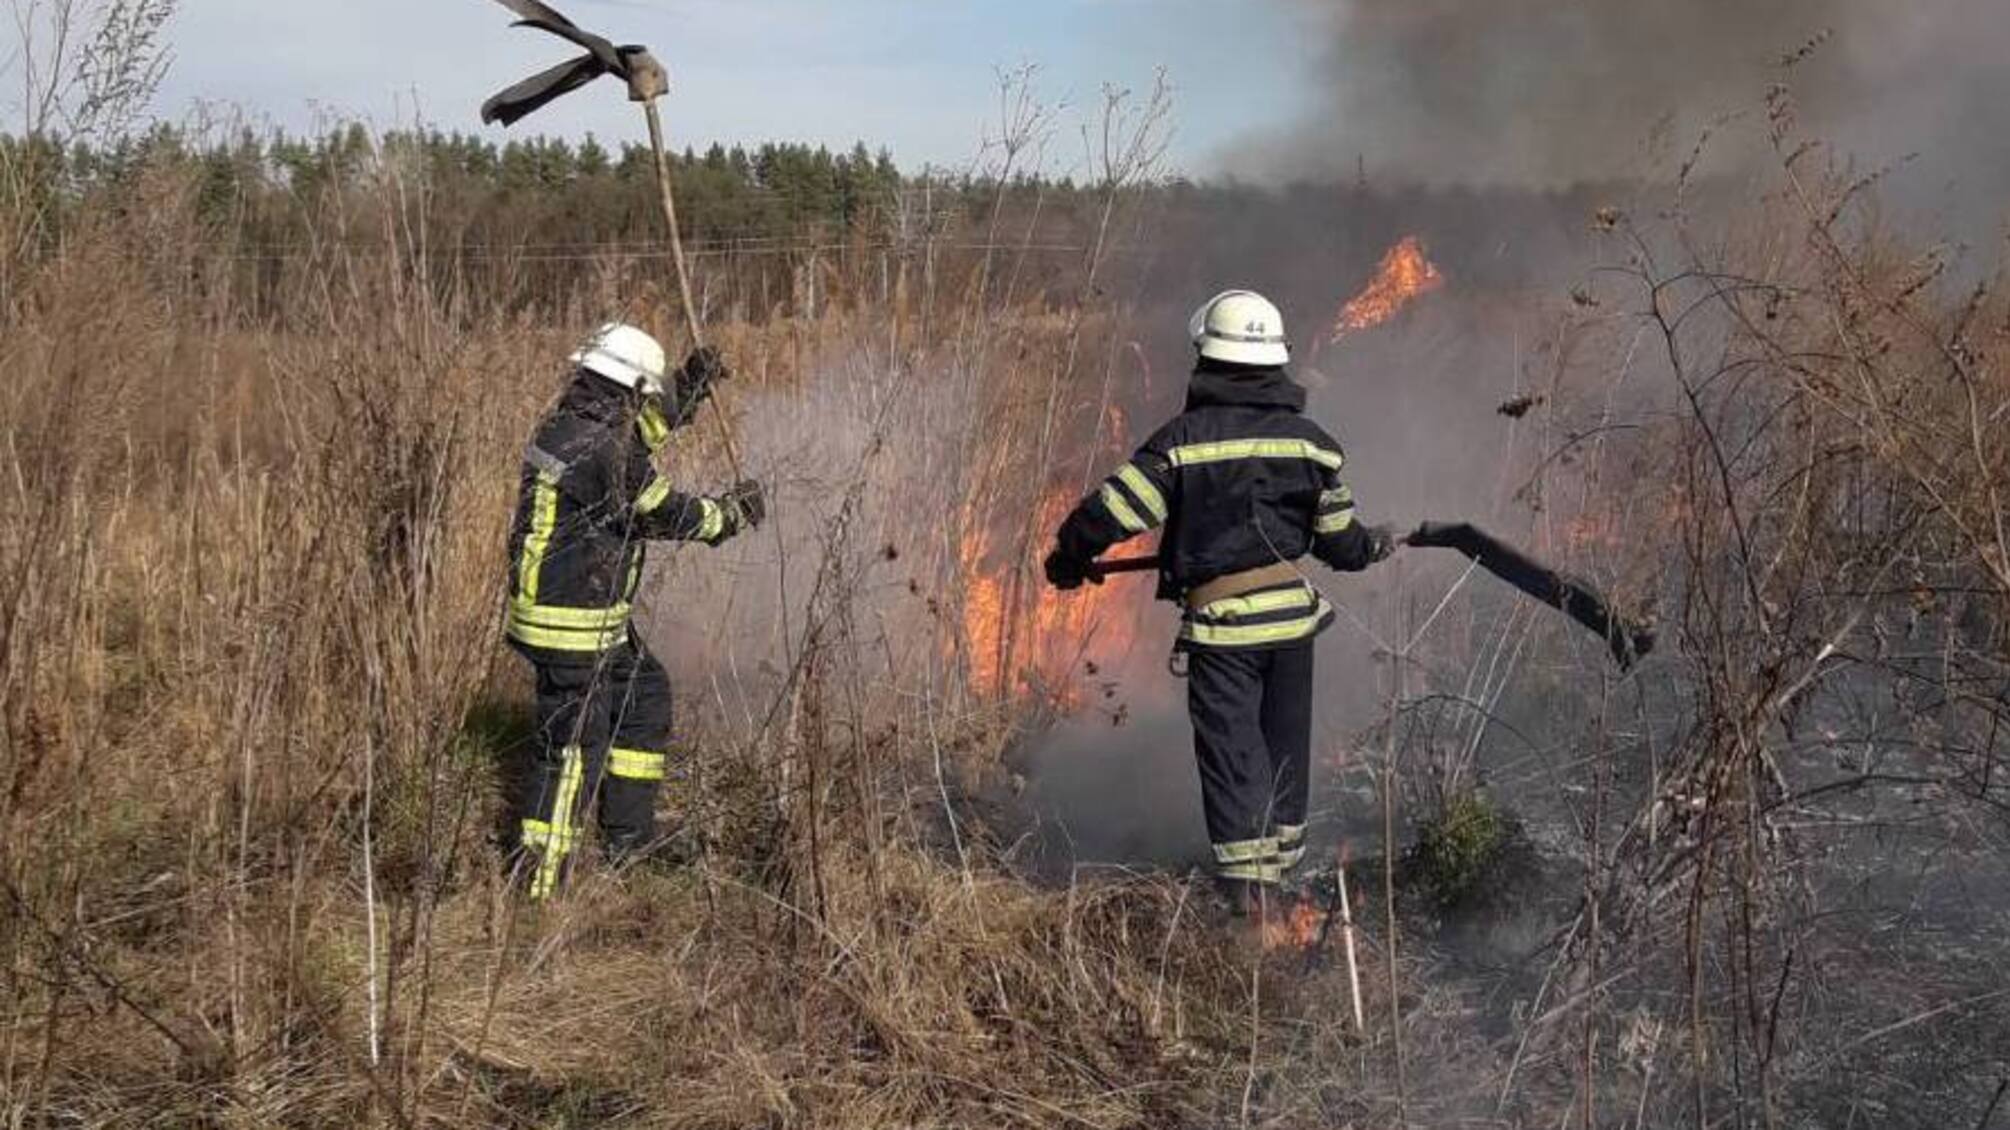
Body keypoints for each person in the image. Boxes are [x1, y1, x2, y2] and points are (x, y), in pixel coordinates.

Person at [1043, 291, 1395, 912]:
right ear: (1275, 364)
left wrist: (1069, 558)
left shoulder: (1181, 441)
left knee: (1236, 762)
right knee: (1283, 753)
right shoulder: (1311, 443)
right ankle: (1281, 885)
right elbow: (1341, 543)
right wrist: (1374, 546)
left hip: (1227, 631)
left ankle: (1252, 913)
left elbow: (1110, 513)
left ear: (1206, 358)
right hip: (1292, 629)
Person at [504, 322, 765, 899]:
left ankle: (628, 840)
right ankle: (540, 888)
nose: (647, 406)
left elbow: (640, 436)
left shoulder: (580, 424)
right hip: (569, 623)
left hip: (588, 614)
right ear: (627, 389)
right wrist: (730, 516)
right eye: (645, 394)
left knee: (644, 696)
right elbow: (659, 509)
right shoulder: (597, 448)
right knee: (573, 746)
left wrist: (689, 389)